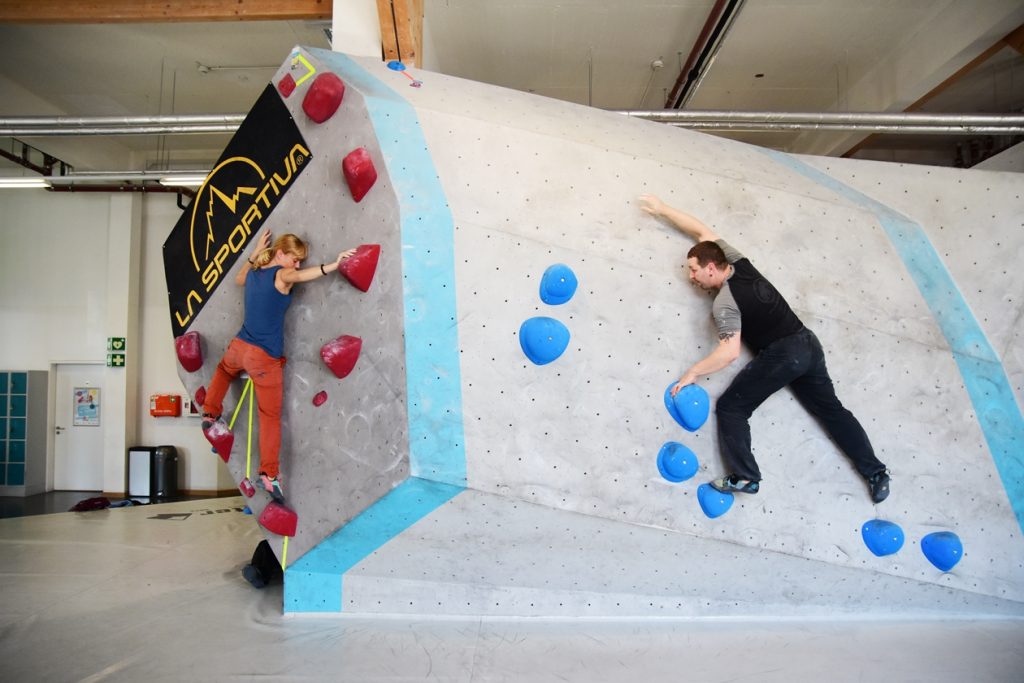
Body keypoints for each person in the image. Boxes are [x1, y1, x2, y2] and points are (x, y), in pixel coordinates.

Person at [639, 194, 890, 503]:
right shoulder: (740, 263)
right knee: (833, 412)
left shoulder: (725, 302)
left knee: (732, 407)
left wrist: (693, 372)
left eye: (693, 270)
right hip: (808, 344)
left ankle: (745, 476)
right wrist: (663, 209)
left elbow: (729, 353)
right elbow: (702, 232)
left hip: (783, 354)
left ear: (712, 268)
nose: (691, 277)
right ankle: (876, 473)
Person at [202, 229, 355, 503]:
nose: (296, 265)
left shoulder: (253, 273)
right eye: (293, 259)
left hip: (240, 347)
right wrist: (335, 263)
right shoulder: (281, 275)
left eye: (299, 261)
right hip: (264, 358)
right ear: (280, 253)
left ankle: (210, 415)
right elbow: (300, 276)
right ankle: (268, 475)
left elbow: (238, 277)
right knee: (269, 417)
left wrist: (253, 255)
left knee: (224, 371)